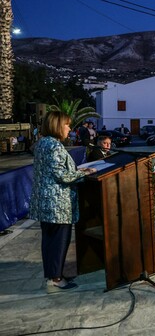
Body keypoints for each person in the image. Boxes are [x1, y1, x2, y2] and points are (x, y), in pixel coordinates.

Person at [29, 111, 97, 293]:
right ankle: (56, 279)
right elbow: (62, 175)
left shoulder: (42, 143)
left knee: (49, 241)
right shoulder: (54, 146)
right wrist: (84, 173)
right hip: (57, 204)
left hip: (46, 203)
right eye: (67, 125)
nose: (70, 129)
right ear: (58, 125)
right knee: (59, 241)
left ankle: (52, 274)